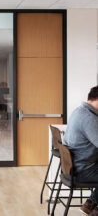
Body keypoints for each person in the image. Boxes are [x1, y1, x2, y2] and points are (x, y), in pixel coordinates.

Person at [62, 85, 98, 216]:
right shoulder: (89, 118)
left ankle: (90, 203)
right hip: (82, 170)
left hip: (75, 166)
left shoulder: (80, 111)